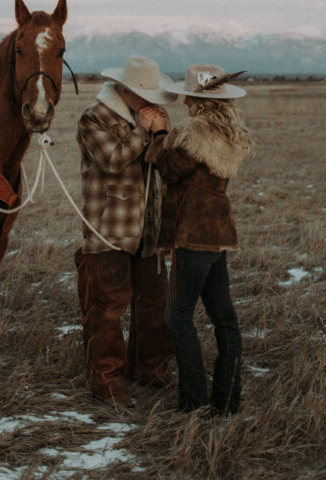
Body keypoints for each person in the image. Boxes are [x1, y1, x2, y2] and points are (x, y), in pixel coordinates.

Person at [146, 64, 252, 415]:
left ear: (195, 98)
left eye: (189, 97)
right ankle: (227, 401)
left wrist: (159, 134)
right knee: (224, 319)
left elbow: (169, 169)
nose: (185, 103)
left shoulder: (195, 132)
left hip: (191, 235)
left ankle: (193, 401)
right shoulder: (228, 131)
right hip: (218, 234)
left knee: (177, 317)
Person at [74, 55, 176, 405]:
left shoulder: (146, 118)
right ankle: (107, 381)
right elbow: (113, 160)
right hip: (108, 231)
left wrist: (161, 135)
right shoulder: (93, 117)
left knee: (153, 304)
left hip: (148, 231)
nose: (151, 101)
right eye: (145, 94)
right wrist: (143, 131)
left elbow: (165, 166)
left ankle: (151, 370)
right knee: (106, 309)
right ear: (126, 89)